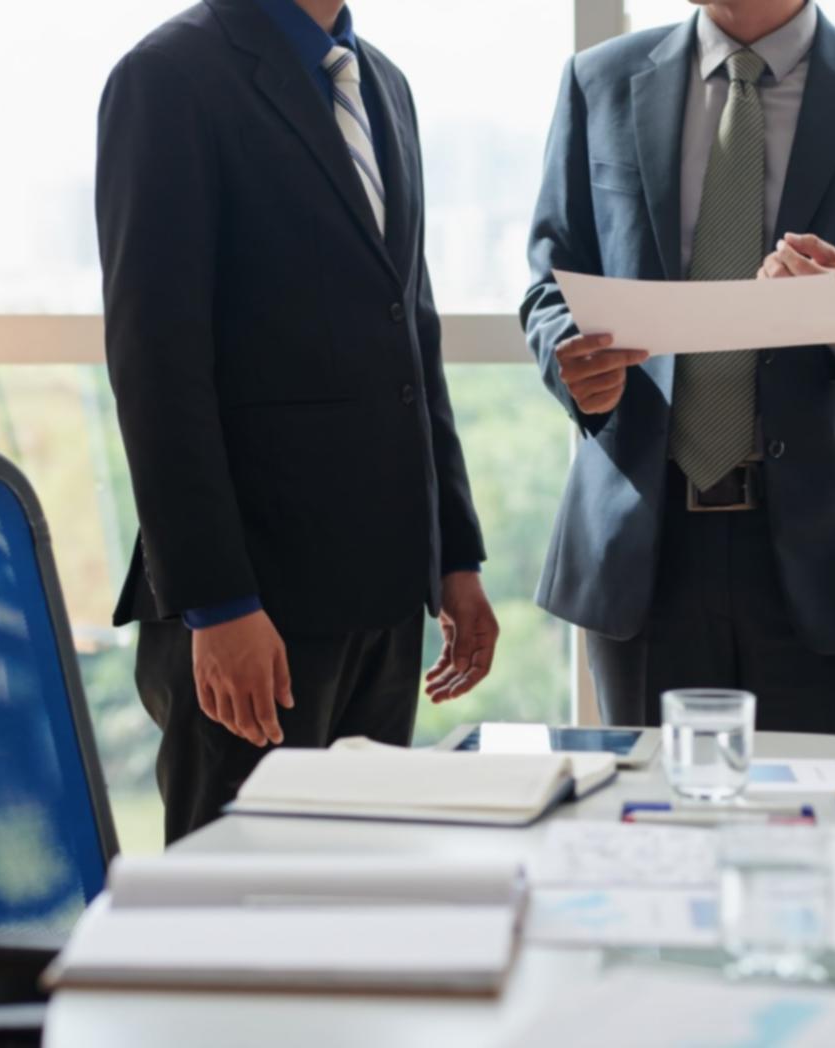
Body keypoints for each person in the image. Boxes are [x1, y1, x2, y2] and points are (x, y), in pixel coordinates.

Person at [521, 0, 835, 736]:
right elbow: (550, 283)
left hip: (833, 553)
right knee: (654, 835)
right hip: (643, 552)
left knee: (831, 832)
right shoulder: (598, 80)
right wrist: (566, 359)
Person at [96, 0, 498, 843]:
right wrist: (216, 603)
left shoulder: (383, 83)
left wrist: (454, 555)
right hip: (255, 606)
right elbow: (156, 369)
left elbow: (410, 339)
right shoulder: (168, 77)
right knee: (235, 917)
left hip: (387, 595)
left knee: (355, 897)